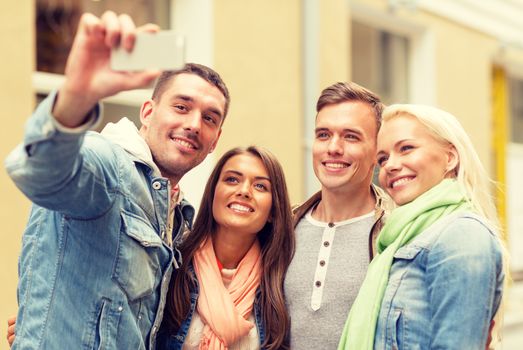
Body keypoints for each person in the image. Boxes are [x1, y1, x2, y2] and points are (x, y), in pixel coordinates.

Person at [5, 12, 230, 349]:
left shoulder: (179, 215)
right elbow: (40, 173)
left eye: (209, 118)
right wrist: (76, 95)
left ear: (215, 140)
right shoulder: (109, 164)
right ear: (148, 112)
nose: (195, 124)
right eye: (182, 107)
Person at [338, 104, 505, 349]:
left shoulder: (462, 235)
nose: (390, 166)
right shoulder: (399, 239)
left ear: (450, 157)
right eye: (383, 159)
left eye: (406, 148)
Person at [285, 82, 392, 349]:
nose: (333, 147)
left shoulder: (397, 233)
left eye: (351, 137)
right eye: (323, 134)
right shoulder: (281, 227)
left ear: (377, 153)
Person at [156, 146, 295, 349]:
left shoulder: (280, 284)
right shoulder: (173, 265)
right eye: (232, 180)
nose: (244, 191)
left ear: (273, 211)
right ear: (213, 193)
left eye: (260, 186)